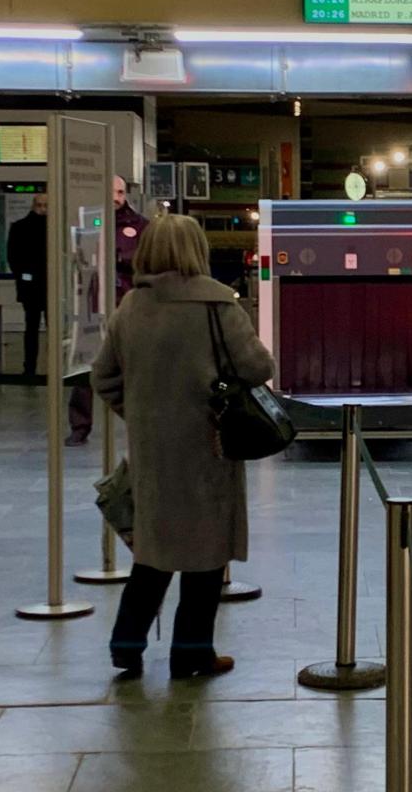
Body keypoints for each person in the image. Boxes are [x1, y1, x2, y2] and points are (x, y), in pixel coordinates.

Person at [92, 213, 274, 679]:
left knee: (153, 554)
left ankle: (126, 647)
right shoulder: (218, 305)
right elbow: (257, 367)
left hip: (153, 451)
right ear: (198, 250)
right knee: (205, 560)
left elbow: (104, 378)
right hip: (208, 447)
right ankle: (191, 653)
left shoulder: (130, 308)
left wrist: (139, 415)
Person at [70, 175, 149, 445]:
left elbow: (146, 262)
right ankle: (80, 426)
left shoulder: (140, 225)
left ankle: (141, 422)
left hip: (129, 305)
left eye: (120, 192)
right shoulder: (87, 223)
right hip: (92, 304)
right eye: (112, 191)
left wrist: (119, 259)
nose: (117, 197)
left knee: (136, 368)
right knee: (85, 368)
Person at [5, 194, 48, 376]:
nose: (43, 209)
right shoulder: (54, 228)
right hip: (46, 286)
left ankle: (29, 367)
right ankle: (45, 366)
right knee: (43, 329)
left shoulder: (19, 227)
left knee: (31, 327)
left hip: (30, 287)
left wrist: (23, 277)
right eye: (41, 205)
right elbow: (13, 257)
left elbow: (13, 258)